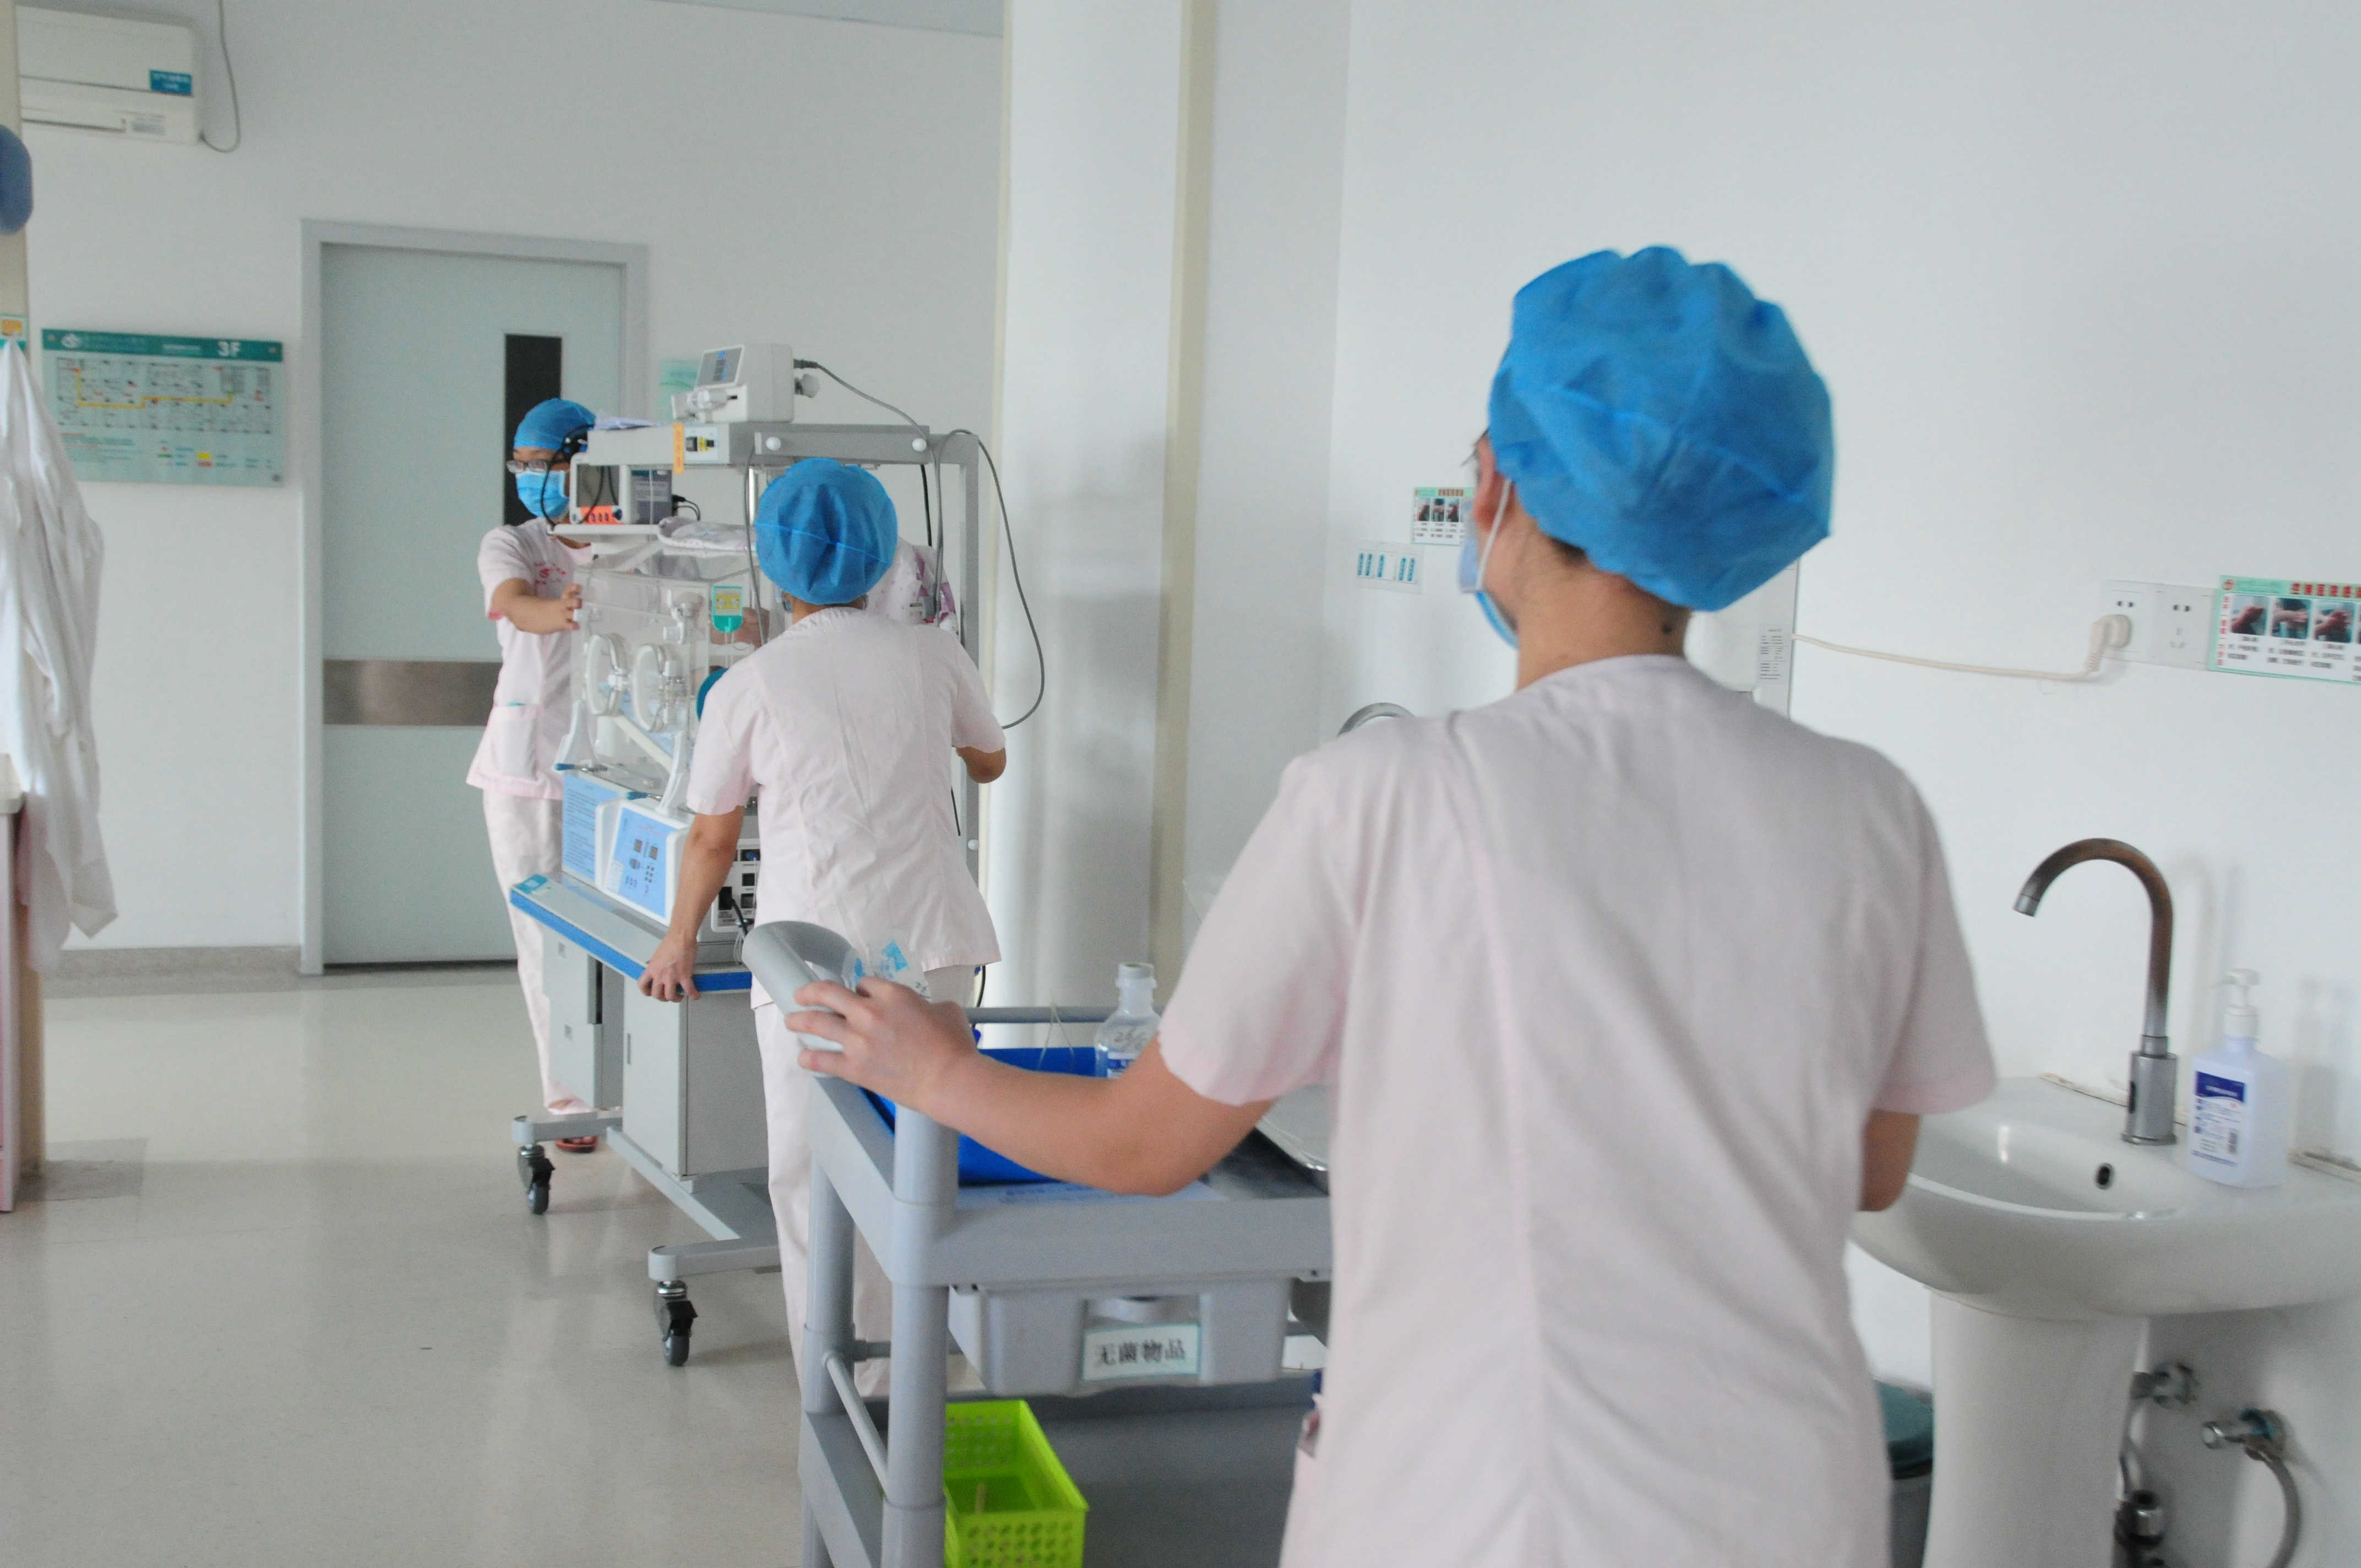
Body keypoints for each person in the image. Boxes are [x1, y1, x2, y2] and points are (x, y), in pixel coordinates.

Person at [787, 248, 1996, 1565]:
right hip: (1789, 1498)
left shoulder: (1387, 792)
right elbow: (1869, 1165)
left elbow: (1145, 1143)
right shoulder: (1868, 807)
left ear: (1498, 489)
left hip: (1481, 1501)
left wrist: (933, 1068)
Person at [638, 458, 1006, 1392]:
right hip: (931, 944)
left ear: (773, 564)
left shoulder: (751, 683)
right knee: (924, 1152)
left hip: (814, 958)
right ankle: (918, 1375)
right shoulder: (933, 653)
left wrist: (678, 940)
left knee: (814, 1172)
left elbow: (713, 837)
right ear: (884, 555)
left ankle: (840, 1392)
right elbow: (990, 762)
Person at [472, 396, 601, 1148]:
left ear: (583, 462)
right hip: (527, 773)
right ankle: (572, 1097)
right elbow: (516, 606)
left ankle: (638, 1083)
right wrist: (566, 610)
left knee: (624, 938)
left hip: (617, 772)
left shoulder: (642, 542)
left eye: (539, 463)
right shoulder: (514, 544)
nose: (526, 476)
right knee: (545, 941)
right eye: (518, 464)